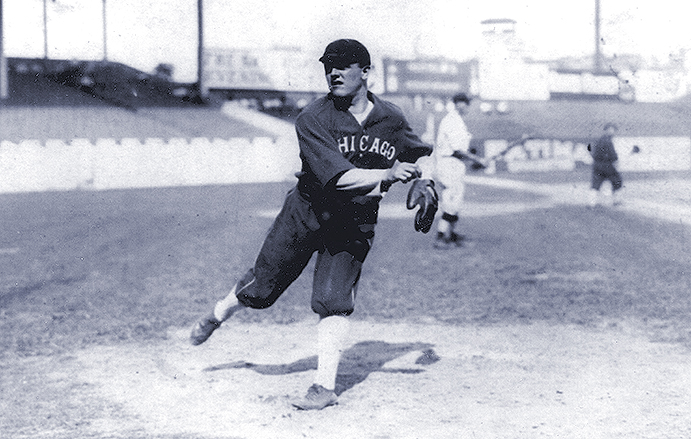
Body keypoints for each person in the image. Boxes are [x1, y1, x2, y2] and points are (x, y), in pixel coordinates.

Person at [188, 39, 433, 410]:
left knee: (334, 298)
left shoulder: (392, 118)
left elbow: (417, 154)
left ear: (365, 72)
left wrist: (424, 180)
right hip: (307, 211)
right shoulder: (313, 117)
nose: (333, 72)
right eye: (328, 66)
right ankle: (219, 312)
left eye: (343, 65)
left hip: (354, 219)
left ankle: (323, 387)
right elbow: (338, 178)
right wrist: (388, 174)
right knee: (262, 289)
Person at [432, 92, 478, 248]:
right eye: (466, 103)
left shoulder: (457, 121)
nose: (468, 107)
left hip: (453, 164)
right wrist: (477, 160)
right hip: (448, 164)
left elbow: (461, 148)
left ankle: (451, 235)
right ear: (459, 103)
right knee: (451, 202)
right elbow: (457, 150)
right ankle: (440, 237)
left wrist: (472, 159)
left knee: (455, 200)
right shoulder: (452, 121)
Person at [588, 122, 623, 207]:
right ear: (607, 130)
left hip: (597, 165)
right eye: (611, 130)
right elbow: (612, 154)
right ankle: (616, 201)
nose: (613, 132)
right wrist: (615, 160)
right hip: (607, 165)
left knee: (596, 184)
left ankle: (591, 203)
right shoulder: (607, 140)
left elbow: (593, 152)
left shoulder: (599, 140)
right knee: (617, 181)